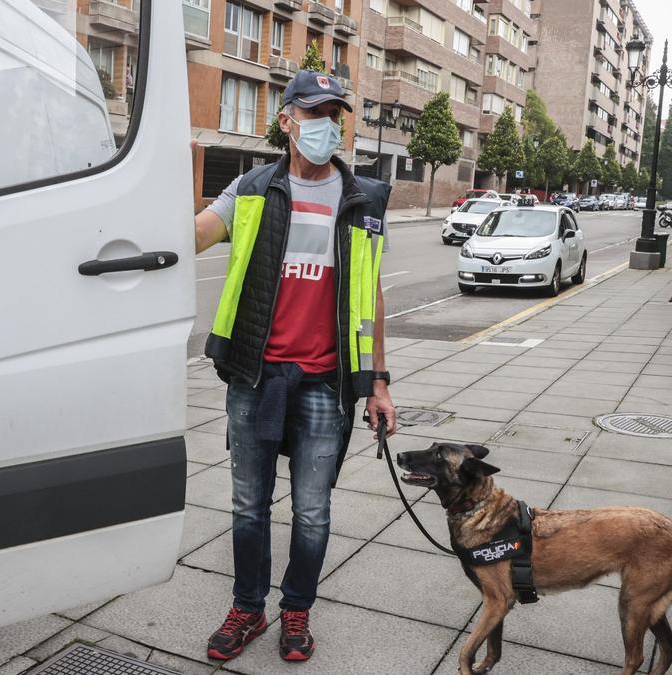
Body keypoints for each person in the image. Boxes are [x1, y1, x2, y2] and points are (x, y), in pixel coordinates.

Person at [193, 70, 396, 663]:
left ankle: (296, 612)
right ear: (286, 120)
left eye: (335, 115)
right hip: (256, 376)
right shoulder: (251, 188)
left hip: (325, 383)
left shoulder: (365, 198)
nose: (326, 126)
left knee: (312, 510)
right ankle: (247, 609)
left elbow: (371, 292)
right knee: (247, 505)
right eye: (314, 114)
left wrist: (378, 381)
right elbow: (194, 236)